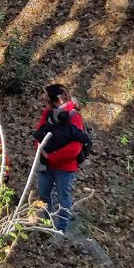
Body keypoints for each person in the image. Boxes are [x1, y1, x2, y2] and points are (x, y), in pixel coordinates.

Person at [32, 83, 90, 234]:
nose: (45, 102)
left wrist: (50, 157)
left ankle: (61, 231)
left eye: (47, 99)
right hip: (45, 165)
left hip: (64, 167)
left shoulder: (74, 116)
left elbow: (74, 149)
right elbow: (39, 134)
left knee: (64, 199)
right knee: (43, 195)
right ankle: (46, 224)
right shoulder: (48, 114)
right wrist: (40, 151)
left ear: (54, 99)